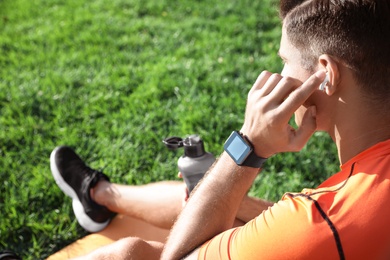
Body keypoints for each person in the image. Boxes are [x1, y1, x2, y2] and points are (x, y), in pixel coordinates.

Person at [51, 0, 390, 259]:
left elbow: (177, 257)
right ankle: (99, 194)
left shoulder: (319, 222)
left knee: (133, 254)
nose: (279, 72)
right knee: (231, 204)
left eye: (285, 61)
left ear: (326, 74)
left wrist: (248, 146)